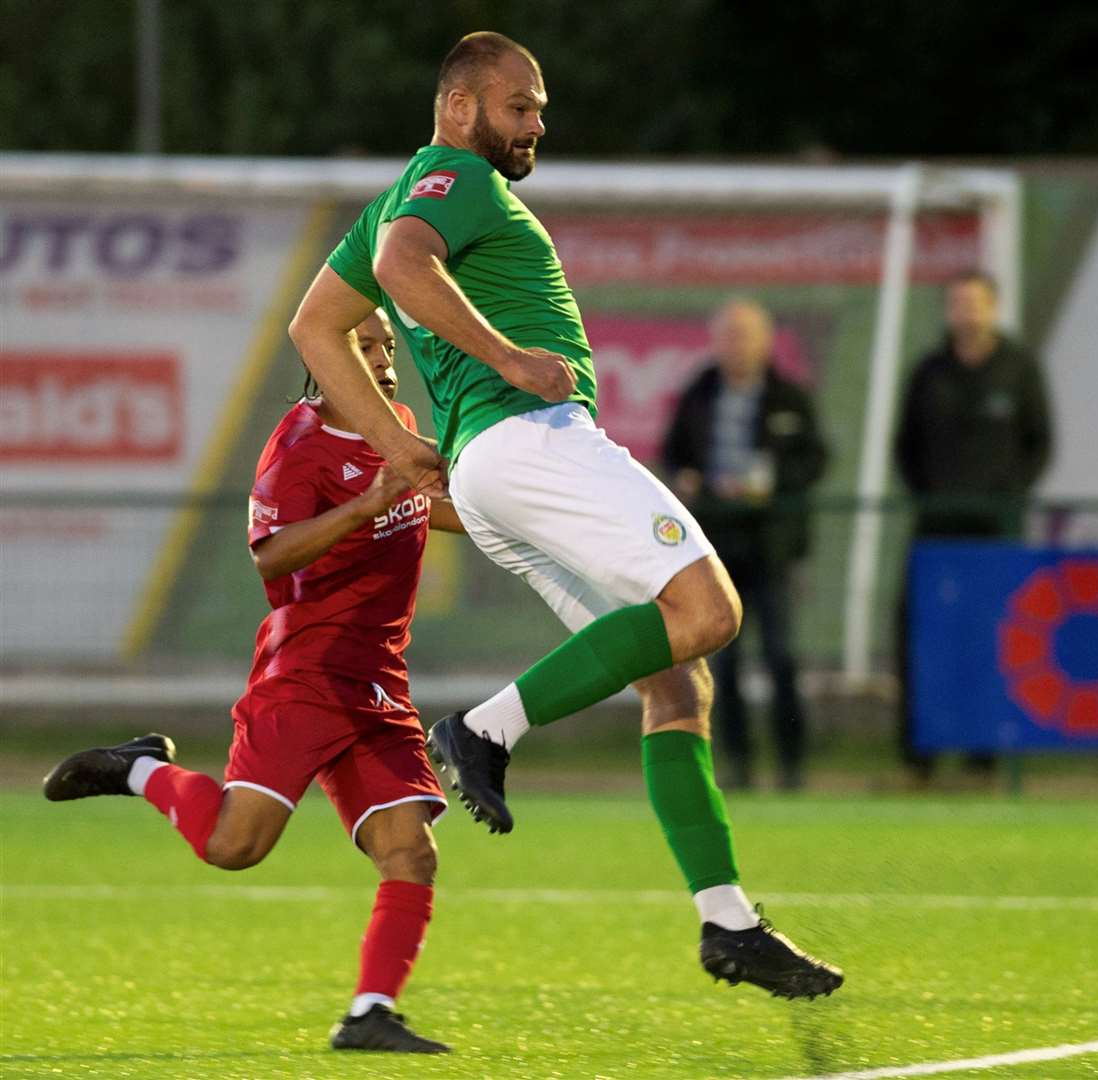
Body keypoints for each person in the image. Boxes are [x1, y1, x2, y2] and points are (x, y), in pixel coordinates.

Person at [286, 31, 842, 1000]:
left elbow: (312, 326)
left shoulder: (395, 198)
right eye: (521, 104)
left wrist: (396, 446)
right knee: (710, 611)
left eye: (539, 107)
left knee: (676, 686)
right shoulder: (450, 179)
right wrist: (506, 360)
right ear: (460, 107)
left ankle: (727, 924)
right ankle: (486, 730)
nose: (537, 121)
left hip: (491, 468)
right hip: (533, 439)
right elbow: (406, 267)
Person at [44, 310, 460, 1053]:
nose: (383, 361)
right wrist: (366, 505)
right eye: (363, 347)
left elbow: (423, 505)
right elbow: (270, 557)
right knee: (235, 847)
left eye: (387, 347)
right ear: (323, 359)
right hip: (306, 672)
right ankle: (141, 769)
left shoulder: (394, 426)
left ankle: (369, 1013)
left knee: (412, 850)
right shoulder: (299, 446)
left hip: (378, 682)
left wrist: (517, 522)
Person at [662, 298, 828, 791]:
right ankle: (737, 765)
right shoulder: (698, 394)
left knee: (780, 656)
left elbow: (814, 460)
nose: (736, 345)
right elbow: (674, 456)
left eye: (746, 334)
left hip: (772, 548)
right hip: (714, 549)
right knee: (724, 663)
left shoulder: (790, 398)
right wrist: (697, 483)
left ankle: (792, 766)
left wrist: (773, 485)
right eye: (728, 334)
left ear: (766, 340)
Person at [894, 271, 1054, 782]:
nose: (967, 312)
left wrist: (1008, 500)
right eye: (958, 302)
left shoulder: (1018, 368)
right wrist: (931, 497)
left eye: (976, 303)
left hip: (994, 534)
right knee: (924, 639)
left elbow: (1039, 442)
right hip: (935, 529)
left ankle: (983, 757)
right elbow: (906, 445)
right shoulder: (930, 371)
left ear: (993, 308)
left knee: (990, 640)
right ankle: (921, 758)